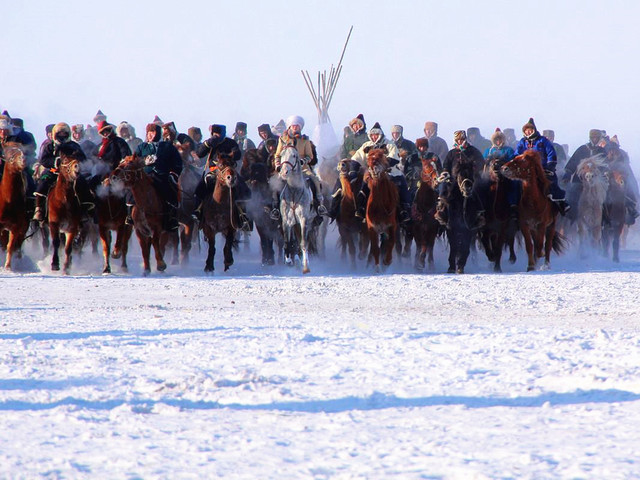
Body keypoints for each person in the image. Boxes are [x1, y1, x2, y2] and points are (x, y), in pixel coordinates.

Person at [349, 122, 412, 224]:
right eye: (372, 135)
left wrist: (382, 166)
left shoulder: (389, 144)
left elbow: (394, 158)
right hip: (371, 173)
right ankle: (361, 209)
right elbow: (356, 158)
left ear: (380, 135)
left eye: (376, 135)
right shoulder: (367, 145)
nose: (374, 137)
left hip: (390, 172)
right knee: (362, 188)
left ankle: (404, 210)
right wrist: (353, 171)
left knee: (403, 186)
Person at [32, 122, 94, 222]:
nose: (62, 136)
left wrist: (75, 161)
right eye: (59, 133)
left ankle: (86, 207)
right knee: (43, 181)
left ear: (68, 134)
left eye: (64, 133)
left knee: (82, 181)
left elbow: (83, 158)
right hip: (54, 170)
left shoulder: (73, 145)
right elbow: (43, 160)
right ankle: (39, 209)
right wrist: (55, 162)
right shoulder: (50, 146)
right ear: (55, 134)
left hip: (70, 173)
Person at [194, 124, 251, 230]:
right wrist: (207, 144)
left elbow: (238, 155)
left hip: (228, 171)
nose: (217, 136)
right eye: (215, 134)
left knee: (242, 187)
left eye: (219, 134)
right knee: (201, 186)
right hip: (213, 171)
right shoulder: (210, 142)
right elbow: (199, 154)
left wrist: (233, 153)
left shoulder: (230, 142)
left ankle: (243, 215)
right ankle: (197, 211)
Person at [273, 115, 327, 219]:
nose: (295, 128)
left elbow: (310, 156)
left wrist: (303, 161)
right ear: (289, 127)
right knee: (276, 183)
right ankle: (275, 207)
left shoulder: (305, 140)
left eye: (297, 126)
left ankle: (319, 204)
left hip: (303, 169)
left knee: (315, 180)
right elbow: (278, 155)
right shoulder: (283, 140)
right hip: (286, 169)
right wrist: (278, 165)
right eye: (293, 126)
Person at [131, 122, 183, 231]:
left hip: (162, 175)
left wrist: (173, 173)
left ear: (158, 133)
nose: (150, 135)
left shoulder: (168, 146)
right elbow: (133, 161)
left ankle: (171, 218)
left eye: (153, 132)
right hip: (144, 176)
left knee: (170, 191)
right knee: (131, 192)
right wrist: (144, 162)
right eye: (149, 132)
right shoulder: (142, 147)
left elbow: (178, 162)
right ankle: (130, 215)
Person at [515, 117, 569, 215]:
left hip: (542, 168)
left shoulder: (542, 141)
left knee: (551, 182)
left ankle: (561, 203)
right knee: (517, 184)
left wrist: (550, 166)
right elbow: (517, 154)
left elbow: (551, 153)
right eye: (526, 130)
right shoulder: (522, 142)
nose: (528, 132)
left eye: (530, 130)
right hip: (526, 170)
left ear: (534, 130)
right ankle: (515, 206)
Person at [435, 130, 486, 228]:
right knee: (446, 189)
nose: (459, 141)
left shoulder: (472, 150)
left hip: (470, 177)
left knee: (477, 189)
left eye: (461, 139)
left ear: (465, 138)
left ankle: (479, 213)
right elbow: (446, 164)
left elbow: (480, 162)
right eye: (457, 140)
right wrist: (445, 172)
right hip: (454, 178)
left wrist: (475, 169)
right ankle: (442, 209)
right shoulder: (452, 153)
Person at [484, 128, 519, 218]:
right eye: (496, 139)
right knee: (481, 185)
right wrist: (488, 160)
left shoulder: (508, 150)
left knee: (514, 184)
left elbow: (512, 160)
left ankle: (513, 204)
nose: (498, 141)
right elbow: (484, 161)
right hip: (491, 175)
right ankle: (482, 206)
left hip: (505, 173)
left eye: (500, 139)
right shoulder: (488, 150)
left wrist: (504, 161)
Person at [603, 135, 639, 223]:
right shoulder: (604, 153)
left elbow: (624, 166)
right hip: (605, 178)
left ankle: (631, 208)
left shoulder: (621, 154)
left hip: (619, 177)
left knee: (626, 189)